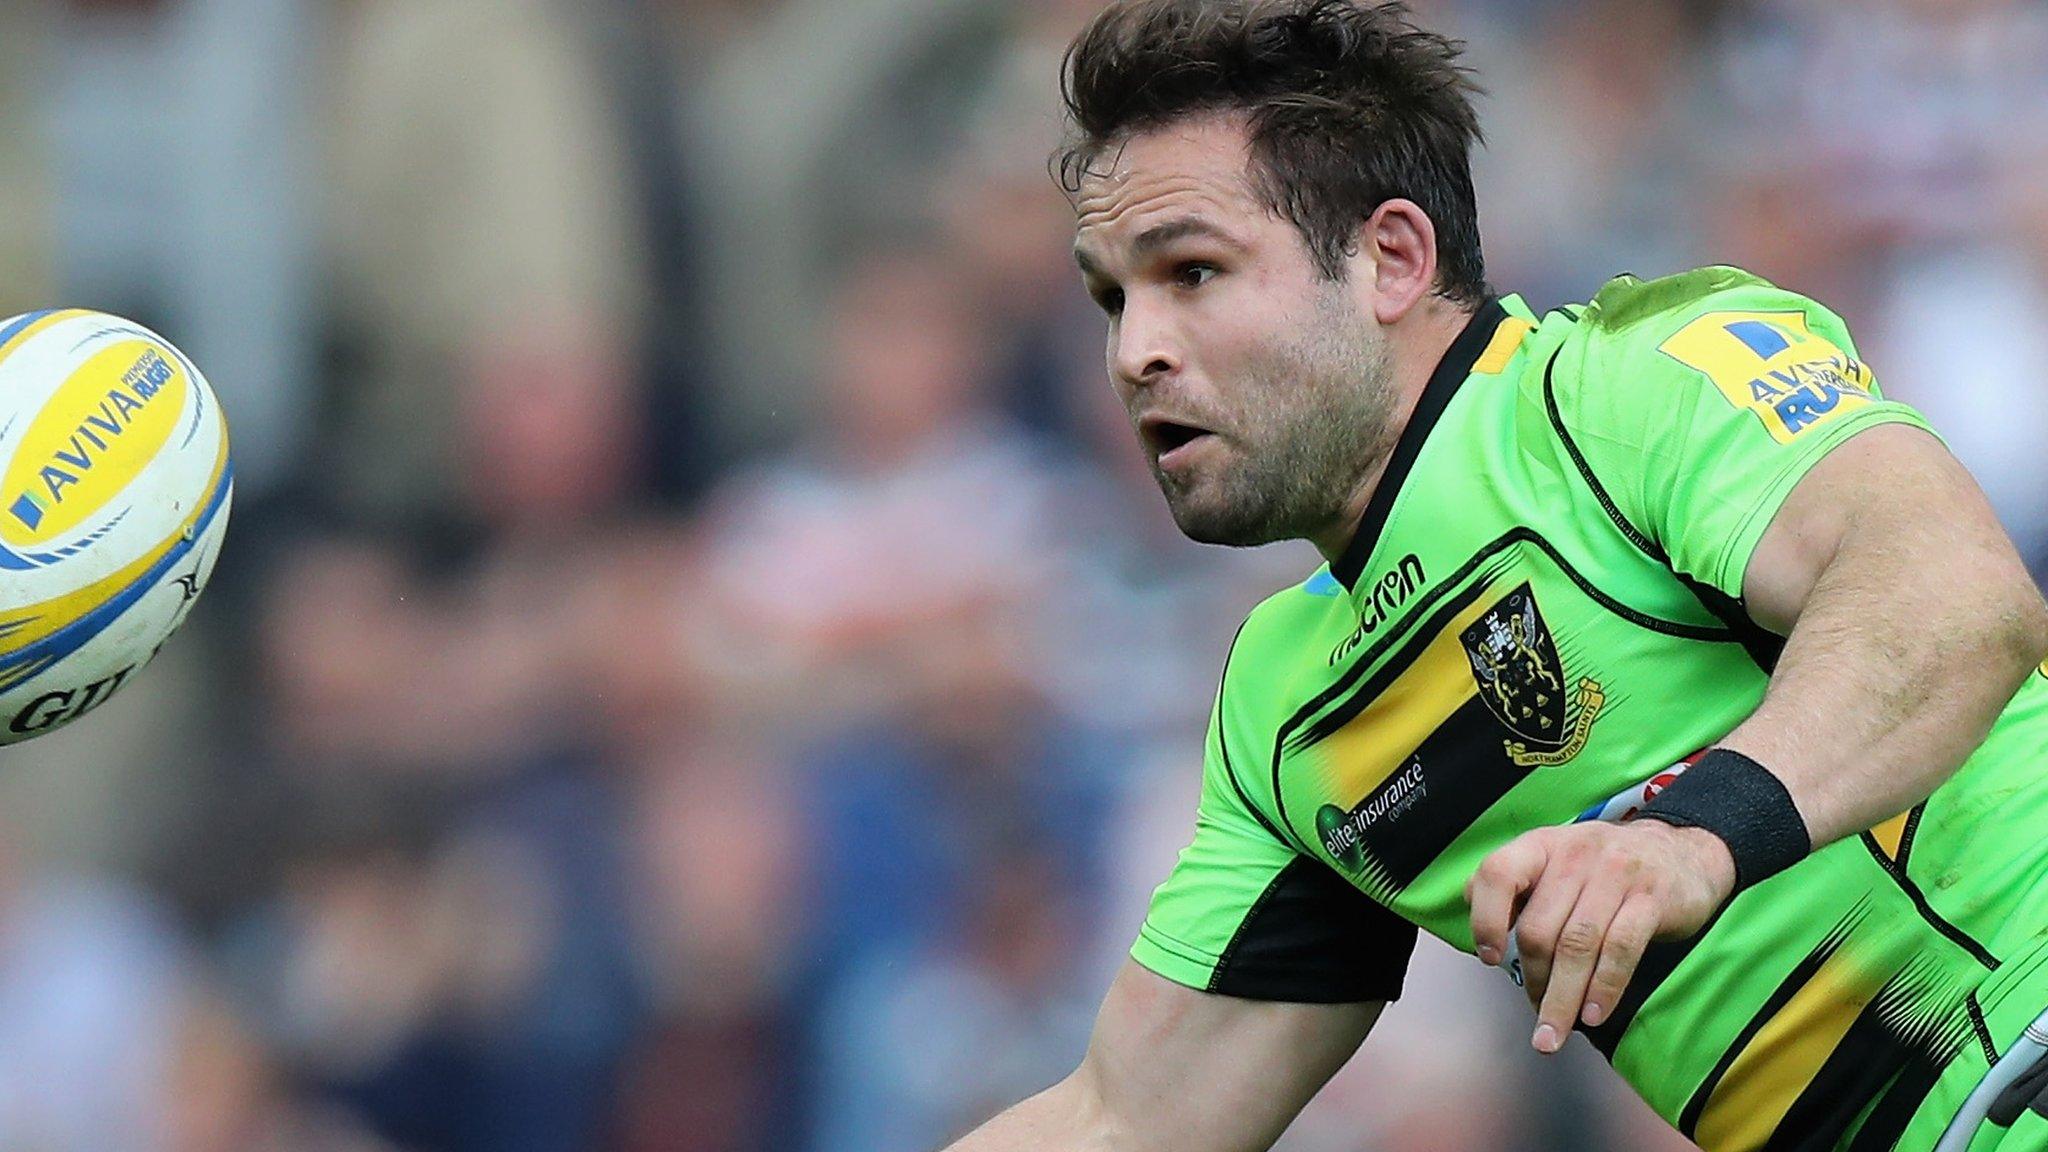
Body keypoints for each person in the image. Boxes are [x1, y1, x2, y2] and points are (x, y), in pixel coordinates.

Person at [943, 2, 2048, 1150]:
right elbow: (1123, 1119)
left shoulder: (1633, 384)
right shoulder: (1284, 717)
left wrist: (1694, 834)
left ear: (1390, 258)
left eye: (1193, 272)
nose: (1133, 352)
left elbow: (1954, 598)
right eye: (1111, 298)